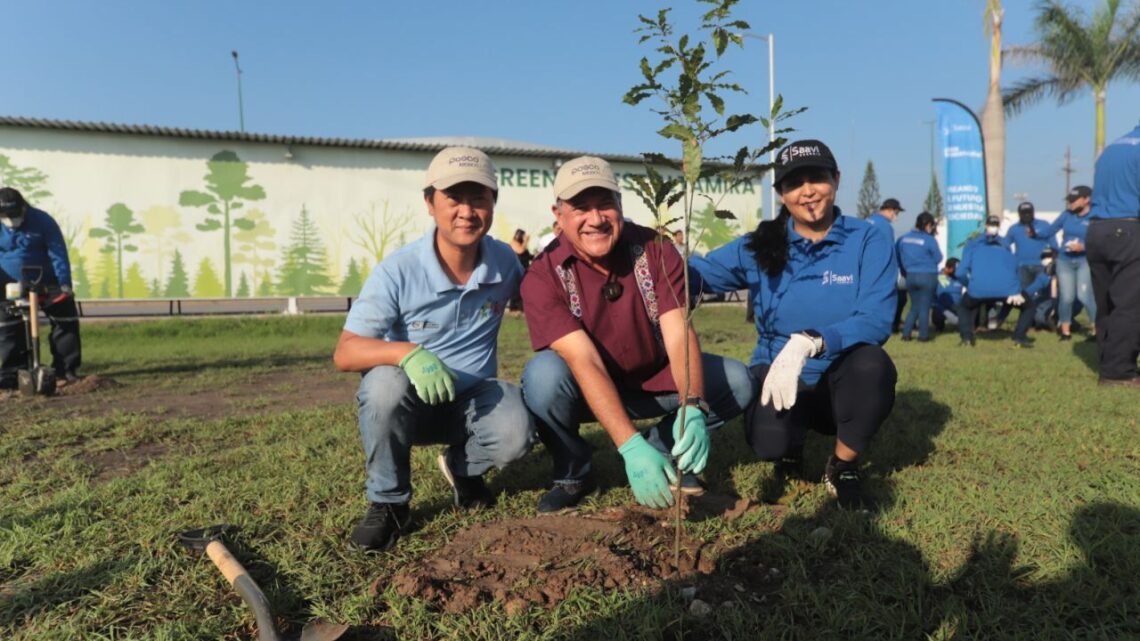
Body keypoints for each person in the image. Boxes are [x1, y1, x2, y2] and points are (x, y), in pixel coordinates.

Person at [519, 156, 755, 513]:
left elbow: (678, 333)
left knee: (738, 381)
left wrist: (692, 404)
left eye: (606, 205)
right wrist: (628, 446)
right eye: (581, 207)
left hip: (658, 379)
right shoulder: (542, 275)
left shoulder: (656, 249)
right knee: (542, 378)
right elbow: (582, 360)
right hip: (589, 387)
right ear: (559, 214)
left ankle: (666, 450)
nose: (596, 219)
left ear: (620, 205)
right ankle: (574, 472)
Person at [333, 147, 535, 552]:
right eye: (453, 198)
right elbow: (345, 352)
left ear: (493, 203)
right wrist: (407, 353)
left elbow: (542, 297)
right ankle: (388, 503)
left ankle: (462, 468)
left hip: (470, 405)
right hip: (410, 406)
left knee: (516, 428)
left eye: (479, 197)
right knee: (383, 385)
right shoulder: (398, 270)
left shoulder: (504, 263)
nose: (467, 211)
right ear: (429, 203)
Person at [690, 140, 898, 508]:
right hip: (778, 373)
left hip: (840, 375)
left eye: (816, 178)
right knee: (770, 443)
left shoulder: (867, 239)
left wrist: (812, 342)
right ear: (781, 195)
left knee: (873, 365)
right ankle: (791, 444)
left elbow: (877, 319)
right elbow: (697, 275)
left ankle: (842, 464)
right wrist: (641, 254)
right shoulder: (760, 245)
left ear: (835, 179)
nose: (807, 192)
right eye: (793, 184)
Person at [0, 187, 81, 389]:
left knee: (66, 316)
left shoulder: (43, 221)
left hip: (45, 281)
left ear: (24, 208)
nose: (11, 220)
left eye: (14, 215)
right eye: (5, 216)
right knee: (7, 324)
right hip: (7, 283)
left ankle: (65, 371)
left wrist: (64, 284)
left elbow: (57, 252)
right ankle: (11, 376)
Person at [1086, 122, 1140, 387]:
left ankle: (1108, 362)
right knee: (1130, 304)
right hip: (1129, 229)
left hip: (1096, 230)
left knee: (1106, 303)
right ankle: (1119, 372)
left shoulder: (1112, 148)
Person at [956, 216, 1050, 348]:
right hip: (1008, 289)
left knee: (964, 306)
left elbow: (959, 273)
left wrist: (970, 286)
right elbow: (1014, 268)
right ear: (998, 226)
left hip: (978, 289)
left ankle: (966, 338)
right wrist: (1016, 290)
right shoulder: (1005, 245)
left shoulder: (972, 244)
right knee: (1029, 306)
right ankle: (1019, 337)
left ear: (985, 226)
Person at [1042, 185, 1097, 341]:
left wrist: (1083, 246)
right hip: (1065, 260)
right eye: (1069, 200)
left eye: (1074, 200)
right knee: (1066, 297)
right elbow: (1050, 230)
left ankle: (1096, 331)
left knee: (1085, 296)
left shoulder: (1095, 216)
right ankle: (1065, 331)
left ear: (1087, 200)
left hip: (1084, 260)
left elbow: (1101, 240)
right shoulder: (1066, 215)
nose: (1070, 203)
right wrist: (1034, 232)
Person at [994, 201, 1058, 328]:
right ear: (1019, 214)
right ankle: (1019, 321)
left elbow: (1054, 244)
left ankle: (1039, 320)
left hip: (1042, 267)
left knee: (1043, 296)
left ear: (1033, 212)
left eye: (1029, 213)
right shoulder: (1013, 229)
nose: (1026, 215)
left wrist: (1052, 261)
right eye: (1023, 213)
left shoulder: (1044, 225)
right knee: (1020, 295)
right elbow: (1005, 245)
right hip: (1022, 267)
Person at [896, 212, 943, 342]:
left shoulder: (903, 238)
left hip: (910, 275)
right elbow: (938, 258)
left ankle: (906, 334)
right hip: (927, 275)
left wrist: (905, 270)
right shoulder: (929, 239)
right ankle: (923, 335)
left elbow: (897, 256)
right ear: (928, 225)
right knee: (924, 306)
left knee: (914, 306)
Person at [868, 198, 906, 333]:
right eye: (897, 213)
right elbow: (889, 251)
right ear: (891, 211)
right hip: (879, 270)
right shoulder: (885, 226)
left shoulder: (867, 221)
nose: (896, 217)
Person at [932, 257, 965, 332]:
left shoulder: (959, 277)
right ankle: (939, 326)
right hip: (944, 307)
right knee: (938, 310)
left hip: (958, 306)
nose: (957, 272)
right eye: (955, 270)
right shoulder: (940, 276)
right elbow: (946, 289)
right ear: (947, 268)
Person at [507, 228, 533, 311]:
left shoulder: (522, 244)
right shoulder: (513, 243)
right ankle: (514, 308)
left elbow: (526, 254)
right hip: (516, 270)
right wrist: (526, 241)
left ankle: (521, 307)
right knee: (517, 290)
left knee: (524, 290)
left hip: (524, 270)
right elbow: (520, 251)